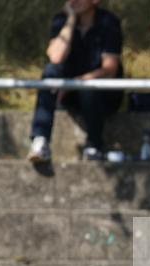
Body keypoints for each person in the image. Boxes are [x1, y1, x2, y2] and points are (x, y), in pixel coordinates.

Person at [27, 0, 124, 163]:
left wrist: (75, 84)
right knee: (50, 72)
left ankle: (94, 145)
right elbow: (56, 57)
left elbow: (110, 69)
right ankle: (40, 140)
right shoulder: (60, 20)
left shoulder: (108, 22)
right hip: (68, 96)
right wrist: (70, 20)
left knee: (89, 87)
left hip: (101, 95)